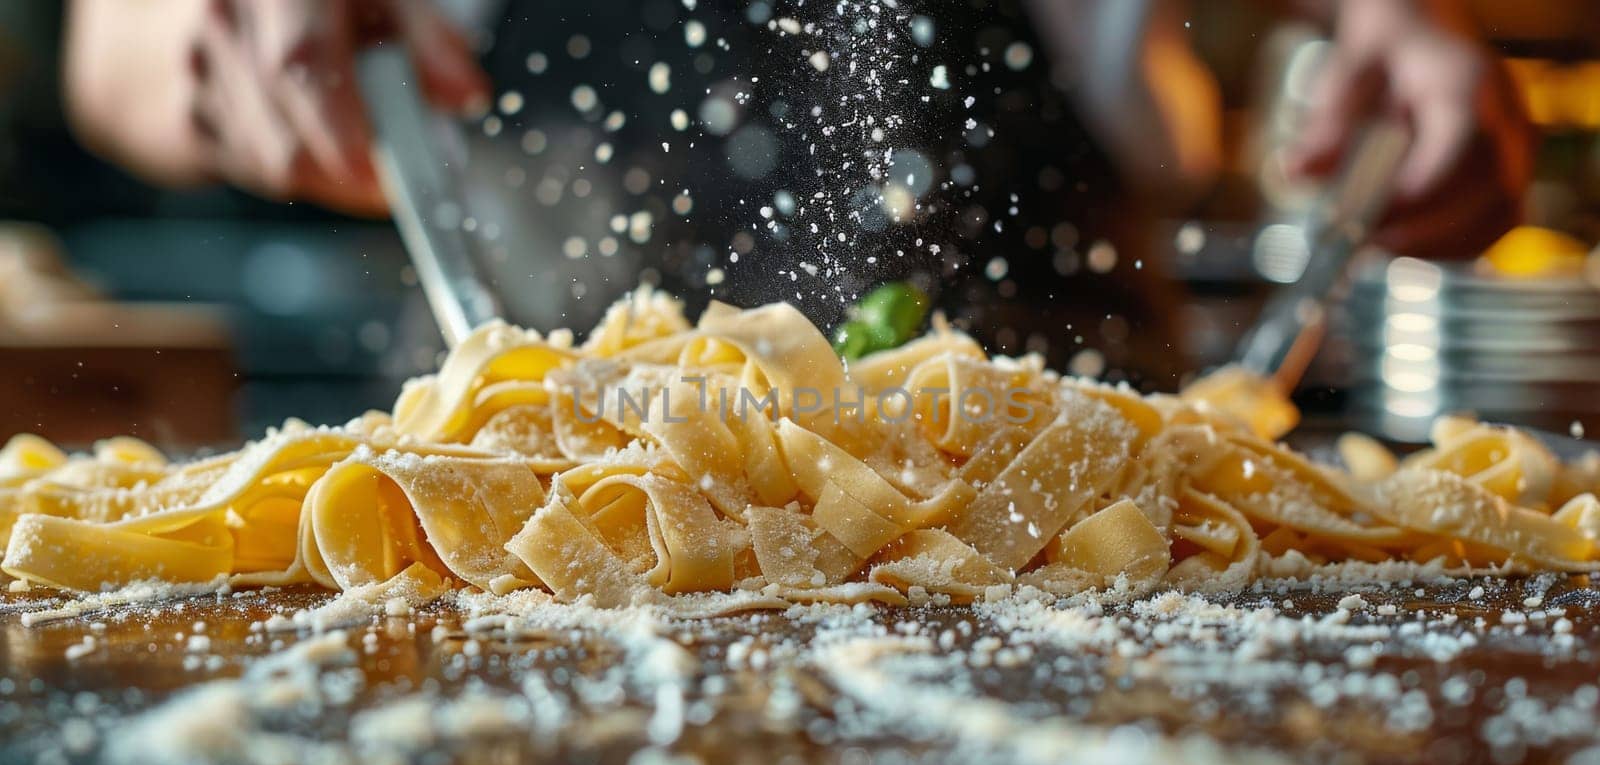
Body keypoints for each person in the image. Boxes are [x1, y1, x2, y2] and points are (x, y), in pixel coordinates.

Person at [53, 0, 1535, 391]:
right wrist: (195, 41)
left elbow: (1352, 33)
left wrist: (1413, 32)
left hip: (1101, 541)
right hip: (527, 539)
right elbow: (109, 49)